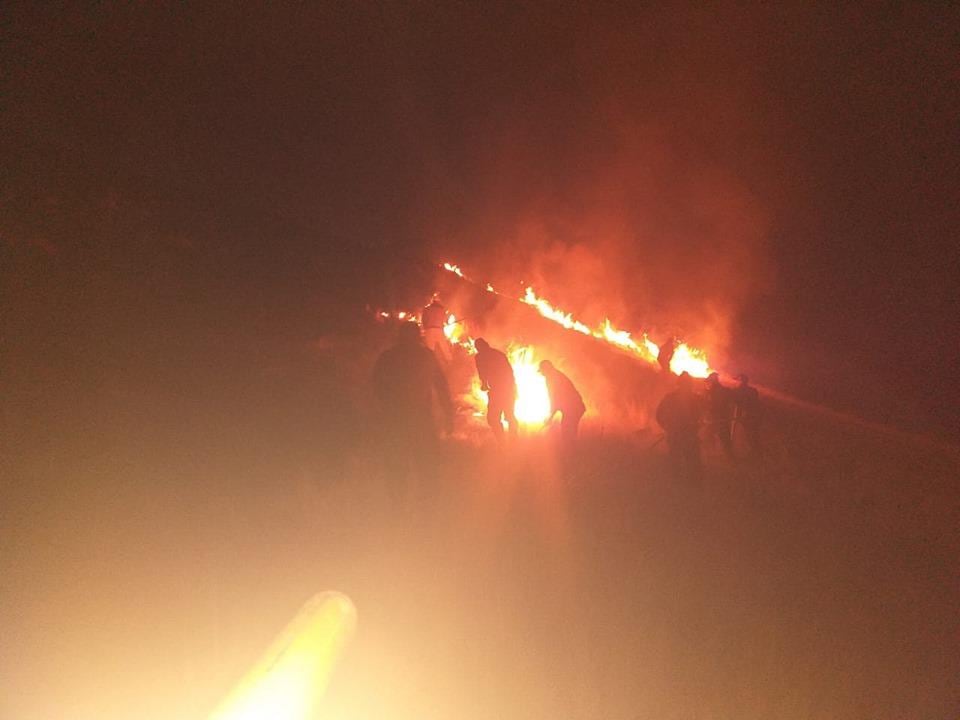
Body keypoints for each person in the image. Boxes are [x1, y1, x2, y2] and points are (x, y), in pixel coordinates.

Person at [372, 322, 454, 498]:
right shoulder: (426, 356)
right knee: (425, 468)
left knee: (397, 469)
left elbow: (376, 385)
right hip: (418, 421)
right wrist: (449, 416)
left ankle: (399, 507)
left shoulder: (388, 357)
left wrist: (385, 406)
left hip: (397, 421)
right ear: (419, 337)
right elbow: (441, 387)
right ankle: (426, 509)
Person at [655, 372, 703, 482]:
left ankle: (688, 483)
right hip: (679, 434)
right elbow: (659, 414)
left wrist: (667, 428)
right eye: (686, 384)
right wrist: (667, 427)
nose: (687, 387)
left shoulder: (695, 399)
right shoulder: (673, 398)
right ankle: (681, 484)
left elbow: (701, 416)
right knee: (680, 459)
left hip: (686, 435)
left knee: (689, 460)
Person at [473, 338, 518, 439]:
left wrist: (485, 384)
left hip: (504, 389)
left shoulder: (482, 357)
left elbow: (483, 373)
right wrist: (485, 383)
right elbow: (483, 373)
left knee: (502, 417)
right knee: (503, 417)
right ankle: (508, 441)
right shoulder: (496, 355)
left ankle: (509, 440)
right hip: (503, 389)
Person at [538, 360, 586, 449]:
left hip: (573, 407)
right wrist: (551, 415)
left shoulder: (552, 378)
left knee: (567, 430)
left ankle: (570, 453)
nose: (542, 373)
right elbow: (556, 400)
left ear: (546, 369)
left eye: (542, 371)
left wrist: (551, 416)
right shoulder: (554, 375)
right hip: (574, 407)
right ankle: (571, 451)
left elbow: (555, 399)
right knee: (568, 430)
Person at [704, 372, 735, 459]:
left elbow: (715, 405)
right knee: (718, 437)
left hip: (718, 418)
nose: (708, 384)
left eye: (710, 382)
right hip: (719, 418)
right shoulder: (721, 390)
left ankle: (729, 457)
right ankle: (726, 456)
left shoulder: (715, 392)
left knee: (720, 437)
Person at [732, 373, 762, 456]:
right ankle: (756, 452)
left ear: (741, 381)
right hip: (753, 416)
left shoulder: (739, 391)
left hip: (746, 416)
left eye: (737, 380)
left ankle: (754, 454)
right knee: (753, 435)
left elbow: (739, 403)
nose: (736, 382)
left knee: (749, 435)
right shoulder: (753, 390)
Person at [420, 297, 451, 363]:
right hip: (439, 330)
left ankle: (429, 362)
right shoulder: (442, 310)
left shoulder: (427, 309)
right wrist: (445, 323)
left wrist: (425, 328)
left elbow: (423, 320)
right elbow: (446, 321)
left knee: (430, 348)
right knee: (444, 346)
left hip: (429, 330)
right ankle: (449, 360)